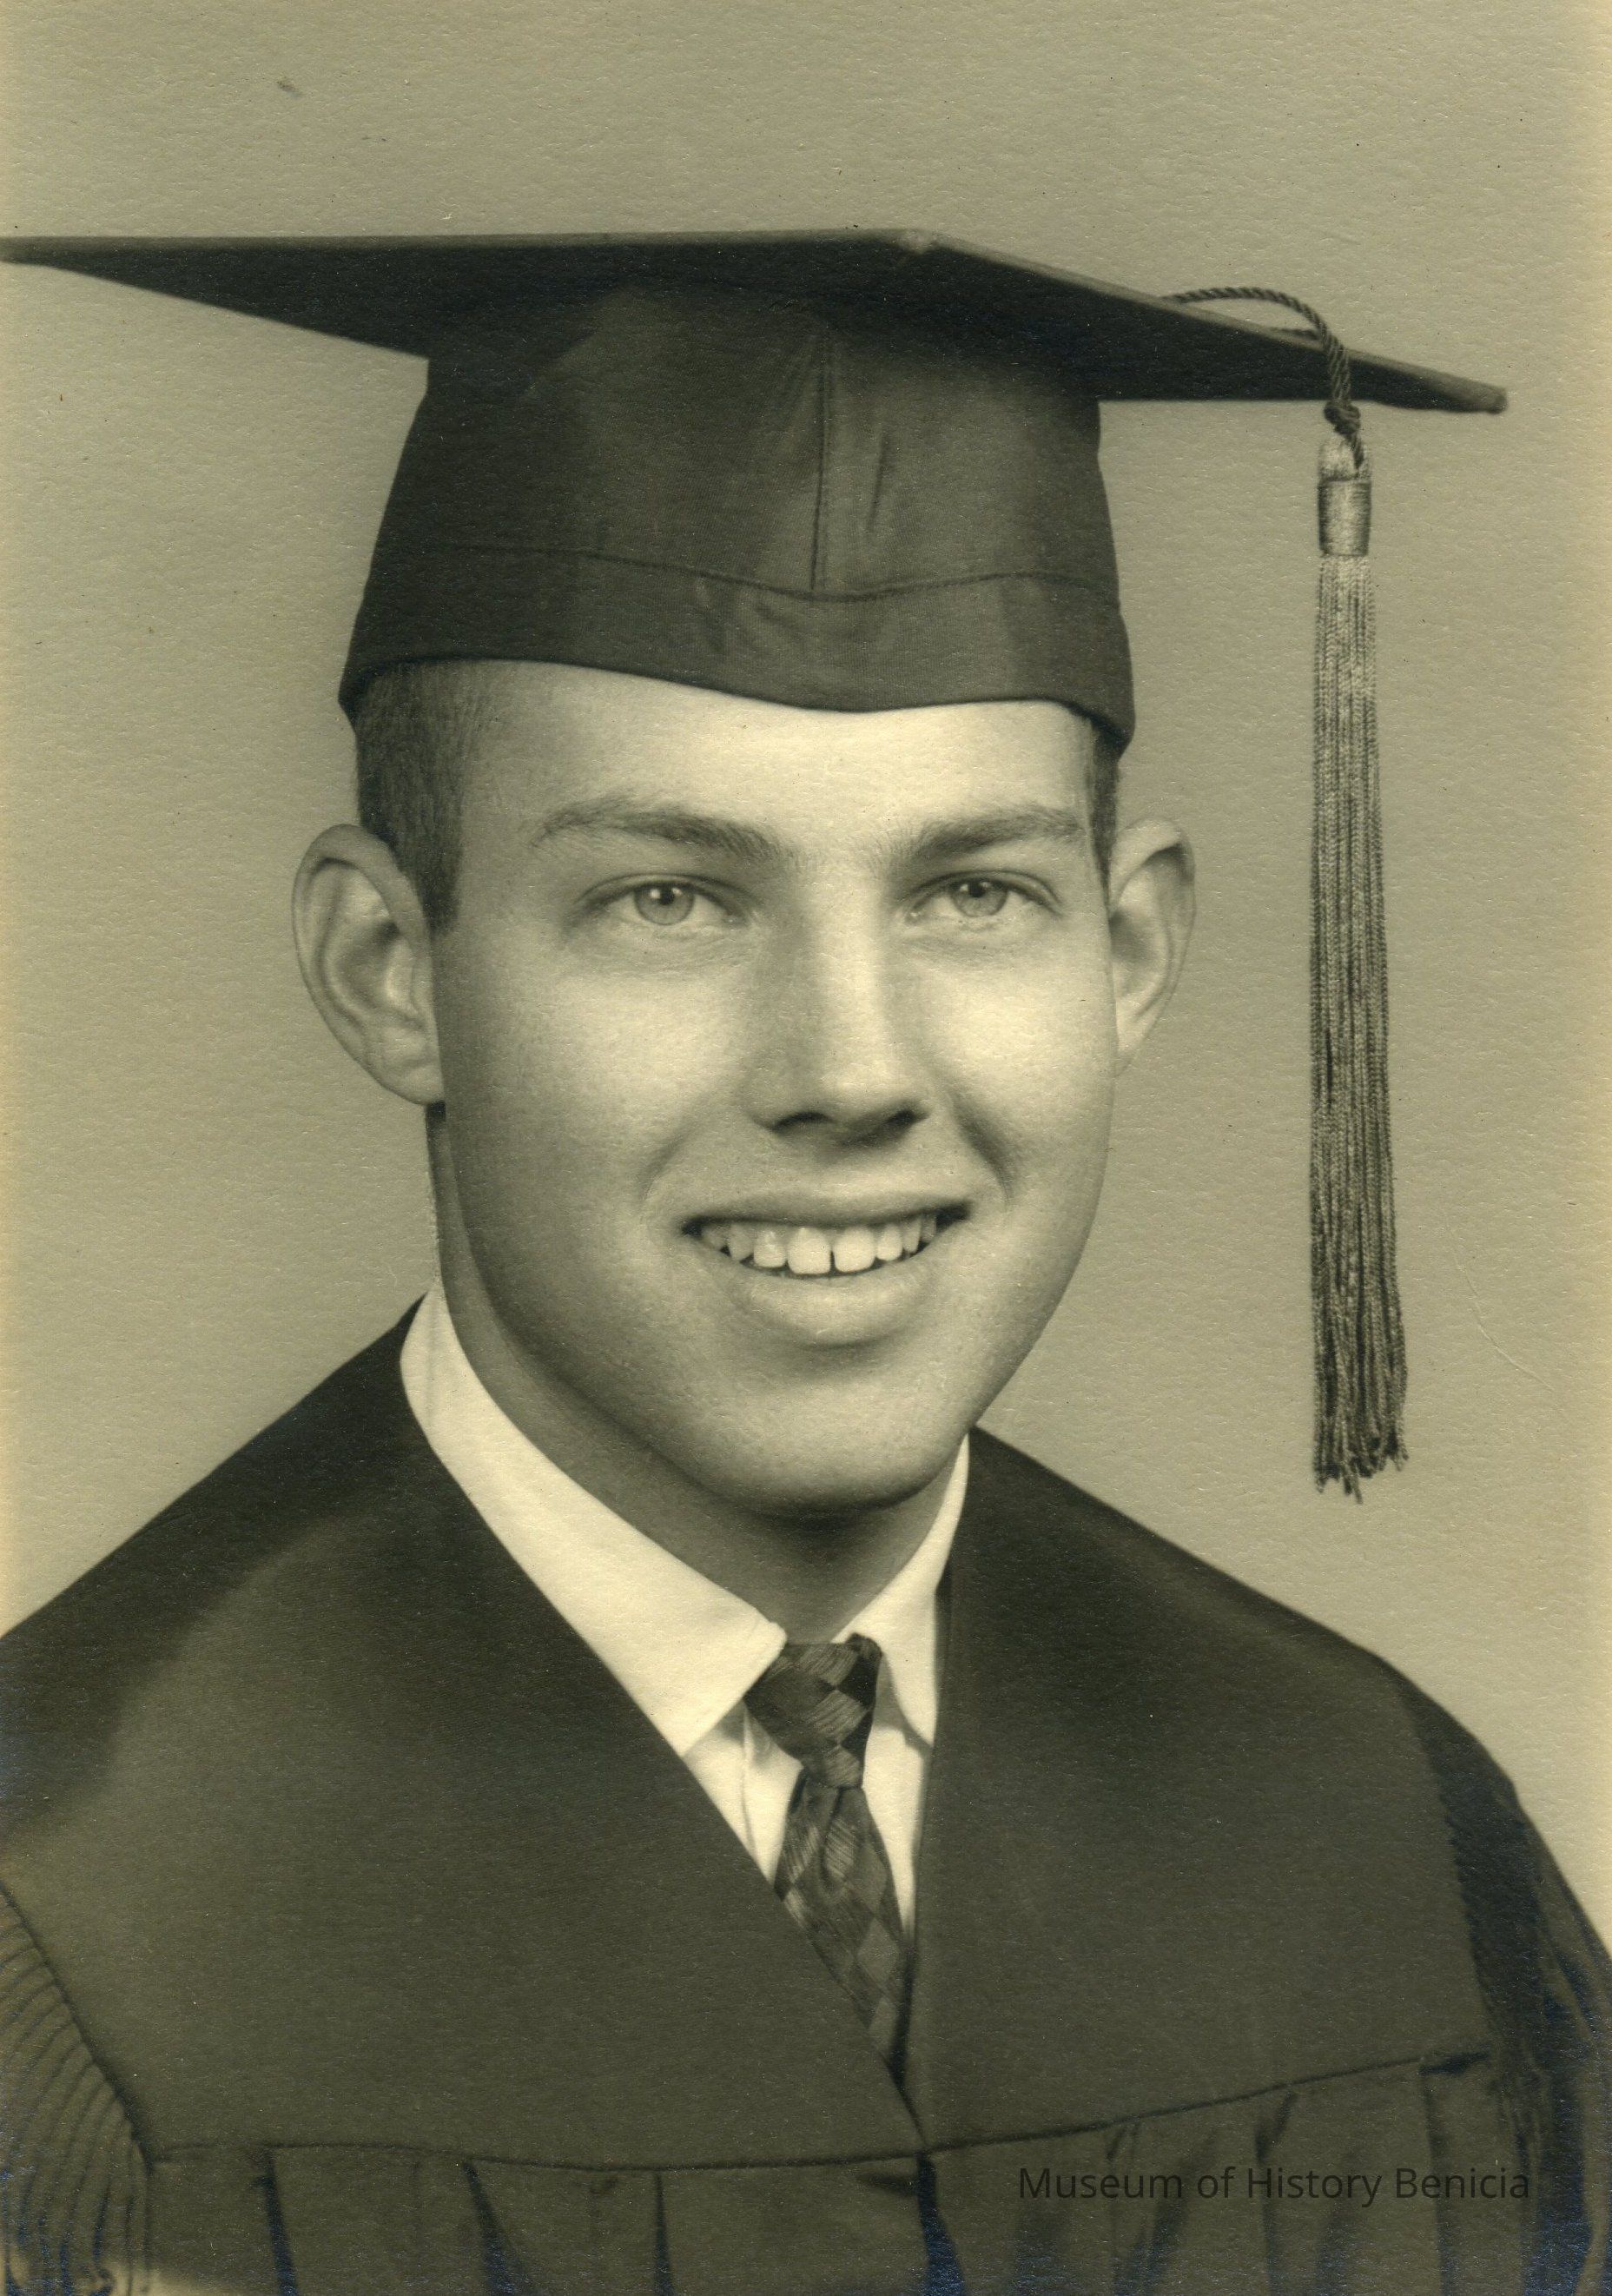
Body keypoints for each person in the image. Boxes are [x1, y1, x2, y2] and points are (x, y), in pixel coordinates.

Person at [1, 235, 1606, 2296]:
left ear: (1129, 952)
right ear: (390, 968)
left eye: (972, 890)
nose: (849, 1068)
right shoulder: (70, 1911)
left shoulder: (1380, 1831)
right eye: (669, 897)